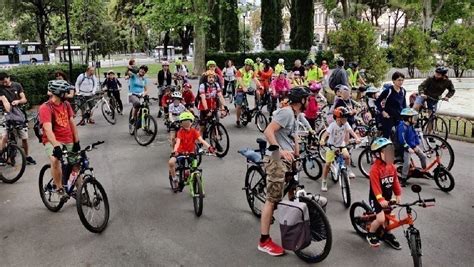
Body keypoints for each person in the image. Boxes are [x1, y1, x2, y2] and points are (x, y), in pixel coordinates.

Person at [258, 86, 310, 256]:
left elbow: (293, 137)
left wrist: (297, 153)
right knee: (272, 200)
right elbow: (268, 131)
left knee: (292, 189)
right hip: (276, 159)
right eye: (307, 99)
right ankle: (264, 241)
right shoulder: (286, 112)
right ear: (301, 100)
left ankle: (290, 224)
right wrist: (279, 150)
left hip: (288, 159)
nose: (309, 102)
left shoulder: (296, 116)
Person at [39, 80, 80, 200]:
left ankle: (80, 191)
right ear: (58, 93)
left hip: (68, 139)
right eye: (65, 93)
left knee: (76, 165)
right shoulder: (45, 108)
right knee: (55, 160)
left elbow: (72, 123)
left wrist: (76, 141)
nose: (67, 94)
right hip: (52, 140)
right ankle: (59, 187)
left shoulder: (66, 105)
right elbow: (47, 129)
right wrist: (56, 146)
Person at [367, 137, 402, 249]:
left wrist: (398, 194)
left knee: (388, 217)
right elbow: (375, 186)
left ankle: (387, 234)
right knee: (381, 219)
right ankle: (371, 233)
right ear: (378, 154)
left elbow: (395, 181)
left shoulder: (392, 167)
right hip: (376, 198)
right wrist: (380, 199)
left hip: (387, 197)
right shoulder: (375, 169)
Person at [169, 111, 214, 192]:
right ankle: (174, 179)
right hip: (180, 153)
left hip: (191, 153)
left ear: (191, 122)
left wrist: (209, 147)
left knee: (194, 167)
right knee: (171, 162)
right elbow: (178, 142)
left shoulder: (194, 131)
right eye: (184, 122)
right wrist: (175, 151)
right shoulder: (180, 132)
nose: (186, 124)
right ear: (181, 124)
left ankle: (192, 178)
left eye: (188, 122)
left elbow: (201, 140)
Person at [319, 107, 360, 191]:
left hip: (341, 145)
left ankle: (348, 170)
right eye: (344, 117)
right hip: (332, 146)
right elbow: (326, 134)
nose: (346, 119)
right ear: (338, 118)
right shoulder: (333, 125)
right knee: (327, 164)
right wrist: (322, 140)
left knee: (347, 157)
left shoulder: (346, 124)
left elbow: (351, 131)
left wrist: (357, 138)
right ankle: (324, 181)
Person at [0, 72, 36, 165]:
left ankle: (27, 156)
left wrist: (18, 101)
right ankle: (1, 156)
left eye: (5, 82)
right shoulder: (0, 88)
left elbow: (24, 99)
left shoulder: (17, 85)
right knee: (4, 136)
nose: (4, 84)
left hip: (18, 114)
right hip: (5, 114)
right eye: (2, 83)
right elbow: (4, 102)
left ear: (9, 78)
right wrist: (7, 108)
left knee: (24, 137)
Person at [396, 108, 427, 185]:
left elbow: (415, 135)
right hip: (404, 148)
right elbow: (402, 140)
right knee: (407, 162)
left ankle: (424, 170)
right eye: (414, 117)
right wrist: (408, 148)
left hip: (412, 146)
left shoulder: (411, 125)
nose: (415, 119)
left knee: (423, 156)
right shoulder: (401, 127)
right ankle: (403, 178)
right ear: (408, 118)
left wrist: (416, 145)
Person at [375, 71, 407, 138]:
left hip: (399, 116)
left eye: (402, 80)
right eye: (399, 80)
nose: (401, 82)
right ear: (393, 81)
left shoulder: (403, 91)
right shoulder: (388, 91)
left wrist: (406, 114)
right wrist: (383, 111)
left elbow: (404, 104)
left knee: (400, 136)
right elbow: (377, 102)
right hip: (388, 117)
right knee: (386, 136)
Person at [197, 71, 226, 136]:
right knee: (202, 127)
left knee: (216, 122)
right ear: (206, 78)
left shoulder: (216, 85)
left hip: (213, 107)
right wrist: (206, 110)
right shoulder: (203, 85)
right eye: (209, 77)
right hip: (203, 108)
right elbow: (203, 98)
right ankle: (199, 140)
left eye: (213, 77)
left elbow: (220, 96)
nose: (211, 79)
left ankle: (214, 137)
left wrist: (224, 107)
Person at [235, 58, 261, 128]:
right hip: (240, 88)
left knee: (257, 92)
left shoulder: (251, 72)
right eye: (249, 66)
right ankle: (238, 120)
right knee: (239, 105)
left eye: (251, 66)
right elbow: (240, 80)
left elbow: (255, 79)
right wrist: (243, 87)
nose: (250, 67)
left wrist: (260, 85)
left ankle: (257, 105)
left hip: (248, 87)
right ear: (245, 65)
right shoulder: (240, 71)